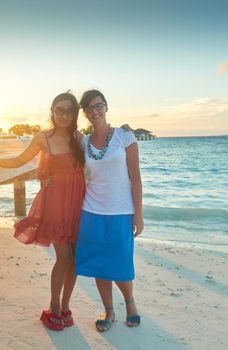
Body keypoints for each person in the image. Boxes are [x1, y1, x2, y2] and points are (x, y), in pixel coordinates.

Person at [0, 92, 85, 331]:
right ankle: (54, 307)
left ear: (75, 113)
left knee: (76, 260)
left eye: (69, 111)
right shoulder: (43, 137)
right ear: (52, 111)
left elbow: (97, 163)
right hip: (55, 204)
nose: (64, 115)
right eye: (59, 110)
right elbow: (18, 161)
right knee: (64, 258)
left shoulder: (79, 137)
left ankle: (66, 307)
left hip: (78, 204)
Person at [75, 89, 144, 332]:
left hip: (121, 211)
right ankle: (109, 311)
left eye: (98, 106)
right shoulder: (82, 142)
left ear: (106, 106)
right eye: (89, 108)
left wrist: (139, 213)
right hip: (91, 211)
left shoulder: (125, 137)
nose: (95, 111)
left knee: (121, 262)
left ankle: (130, 303)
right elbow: (59, 129)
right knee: (99, 264)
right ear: (84, 113)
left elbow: (135, 178)